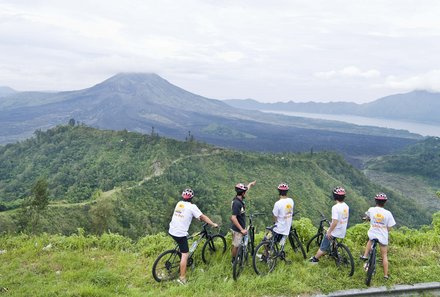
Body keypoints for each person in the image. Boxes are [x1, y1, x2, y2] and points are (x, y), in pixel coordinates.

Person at [168, 188, 218, 285]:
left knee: (182, 244)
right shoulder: (192, 206)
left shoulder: (179, 203)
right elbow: (202, 217)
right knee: (185, 254)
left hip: (172, 230)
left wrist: (198, 218)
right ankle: (182, 279)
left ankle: (178, 256)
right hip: (180, 233)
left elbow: (184, 213)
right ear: (192, 198)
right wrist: (212, 224)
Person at [361, 193, 396, 280]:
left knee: (370, 240)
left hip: (373, 233)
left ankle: (365, 256)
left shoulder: (371, 209)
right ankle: (385, 275)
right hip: (383, 236)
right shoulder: (388, 213)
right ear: (385, 202)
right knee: (384, 256)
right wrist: (384, 231)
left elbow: (367, 217)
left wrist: (367, 219)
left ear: (375, 201)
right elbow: (390, 227)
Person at [310, 187, 349, 263]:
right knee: (333, 240)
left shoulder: (335, 207)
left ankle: (315, 260)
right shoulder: (346, 206)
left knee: (323, 246)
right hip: (342, 230)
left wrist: (329, 231)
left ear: (335, 196)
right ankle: (334, 252)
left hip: (335, 231)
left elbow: (335, 222)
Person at [230, 181, 256, 264]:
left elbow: (246, 189)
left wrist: (250, 185)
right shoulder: (237, 203)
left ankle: (239, 256)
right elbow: (233, 218)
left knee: (238, 245)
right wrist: (241, 230)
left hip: (241, 227)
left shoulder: (239, 198)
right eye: (245, 192)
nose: (246, 193)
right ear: (242, 193)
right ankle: (234, 261)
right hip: (238, 229)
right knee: (236, 245)